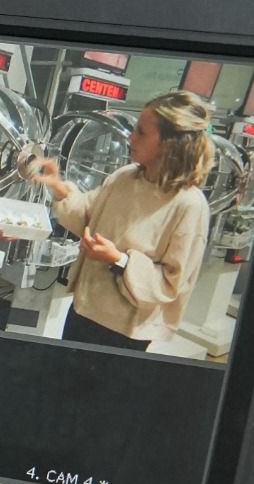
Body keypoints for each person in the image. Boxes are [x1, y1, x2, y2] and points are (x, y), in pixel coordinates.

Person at [30, 91, 215, 350]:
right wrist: (58, 186)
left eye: (141, 132)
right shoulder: (125, 177)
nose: (131, 137)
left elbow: (172, 282)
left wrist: (118, 260)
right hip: (84, 310)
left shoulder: (189, 205)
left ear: (169, 144)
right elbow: (88, 217)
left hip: (125, 331)